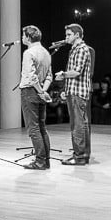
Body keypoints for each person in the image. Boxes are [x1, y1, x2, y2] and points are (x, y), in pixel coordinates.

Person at [54, 23, 92, 165]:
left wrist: (63, 74)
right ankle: (81, 154)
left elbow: (76, 71)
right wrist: (66, 90)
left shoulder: (81, 49)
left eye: (68, 35)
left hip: (78, 92)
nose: (66, 37)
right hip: (73, 91)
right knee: (80, 124)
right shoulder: (75, 49)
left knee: (78, 125)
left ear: (77, 35)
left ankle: (80, 156)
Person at [19, 26, 53, 170]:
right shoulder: (46, 52)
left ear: (28, 37)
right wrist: (43, 91)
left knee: (33, 129)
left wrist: (39, 91)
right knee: (42, 127)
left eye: (23, 35)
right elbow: (49, 76)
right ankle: (46, 161)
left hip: (30, 92)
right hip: (40, 92)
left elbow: (32, 77)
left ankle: (40, 161)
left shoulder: (28, 53)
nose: (21, 38)